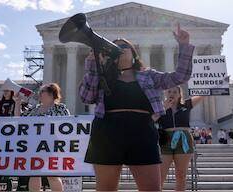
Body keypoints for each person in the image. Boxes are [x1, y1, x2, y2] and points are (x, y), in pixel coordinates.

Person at [79, 23, 194, 191]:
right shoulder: (103, 76)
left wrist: (184, 46)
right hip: (107, 132)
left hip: (142, 131)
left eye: (124, 46)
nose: (120, 48)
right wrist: (92, 66)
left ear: (133, 53)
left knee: (151, 189)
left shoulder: (148, 75)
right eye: (114, 47)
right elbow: (86, 97)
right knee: (106, 189)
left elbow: (179, 77)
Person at [14, 83, 70, 192]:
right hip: (34, 145)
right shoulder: (34, 109)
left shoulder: (60, 108)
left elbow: (68, 125)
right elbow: (19, 120)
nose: (39, 94)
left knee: (52, 175)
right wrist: (17, 103)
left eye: (42, 91)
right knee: (35, 174)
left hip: (53, 145)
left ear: (51, 94)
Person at [157, 86, 204, 191]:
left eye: (175, 92)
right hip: (165, 140)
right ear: (165, 93)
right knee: (160, 176)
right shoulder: (159, 106)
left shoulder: (186, 104)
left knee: (181, 175)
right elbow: (151, 119)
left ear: (179, 94)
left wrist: (220, 83)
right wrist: (163, 108)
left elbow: (204, 94)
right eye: (169, 91)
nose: (172, 94)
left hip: (183, 139)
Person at [0, 88, 15, 192]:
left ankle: (7, 180)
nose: (5, 93)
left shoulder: (16, 103)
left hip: (11, 135)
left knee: (8, 158)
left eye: (8, 91)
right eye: (4, 91)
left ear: (12, 92)